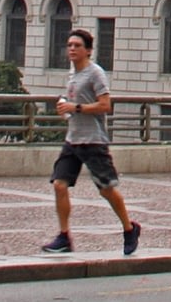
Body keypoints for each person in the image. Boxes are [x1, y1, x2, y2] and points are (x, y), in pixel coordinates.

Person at [42, 27, 140, 256]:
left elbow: (105, 105)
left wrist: (75, 107)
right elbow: (73, 104)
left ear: (88, 50)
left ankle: (129, 228)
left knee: (107, 189)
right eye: (69, 45)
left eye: (77, 46)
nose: (72, 49)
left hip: (93, 141)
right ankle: (64, 236)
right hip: (72, 140)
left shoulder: (96, 73)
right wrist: (64, 109)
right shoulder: (72, 76)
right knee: (59, 184)